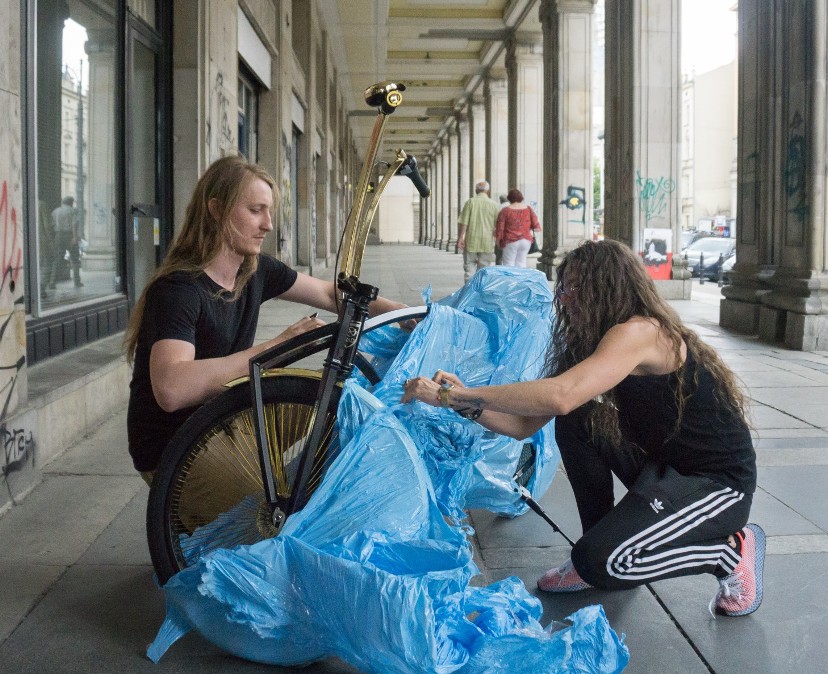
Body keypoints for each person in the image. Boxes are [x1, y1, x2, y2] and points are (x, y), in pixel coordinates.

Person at [401, 239, 765, 618]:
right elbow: (523, 425)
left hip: (716, 484)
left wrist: (463, 394)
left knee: (606, 563)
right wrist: (459, 401)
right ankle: (597, 544)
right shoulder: (590, 342)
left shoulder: (642, 331)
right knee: (580, 420)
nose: (563, 299)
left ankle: (731, 551)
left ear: (604, 287)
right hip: (665, 468)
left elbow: (561, 394)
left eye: (573, 288)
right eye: (563, 287)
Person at [125, 155, 410, 481]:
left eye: (269, 211)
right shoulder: (178, 290)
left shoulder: (253, 272)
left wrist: (403, 313)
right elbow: (172, 389)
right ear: (216, 209)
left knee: (344, 408)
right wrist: (277, 347)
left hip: (224, 423)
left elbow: (331, 295)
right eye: (255, 210)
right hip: (177, 449)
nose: (268, 224)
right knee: (284, 511)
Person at [457, 180, 500, 281]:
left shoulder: (470, 202)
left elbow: (464, 222)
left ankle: (469, 290)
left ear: (476, 190)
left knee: (469, 267)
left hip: (471, 240)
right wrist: (496, 238)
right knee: (484, 269)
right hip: (486, 241)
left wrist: (460, 238)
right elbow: (498, 225)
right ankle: (480, 290)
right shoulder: (494, 205)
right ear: (488, 191)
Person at [495, 189, 541, 269]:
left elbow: (500, 228)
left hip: (510, 241)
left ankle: (511, 281)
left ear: (509, 198)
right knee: (521, 263)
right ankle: (520, 280)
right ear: (521, 197)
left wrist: (498, 241)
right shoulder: (528, 209)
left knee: (508, 264)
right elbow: (537, 227)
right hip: (526, 240)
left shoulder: (505, 211)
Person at [50, 196, 82, 288]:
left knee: (57, 259)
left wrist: (53, 239)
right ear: (71, 203)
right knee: (75, 260)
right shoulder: (73, 211)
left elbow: (51, 226)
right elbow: (74, 225)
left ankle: (52, 282)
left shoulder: (55, 211)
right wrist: (75, 237)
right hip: (70, 235)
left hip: (58, 236)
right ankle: (77, 282)